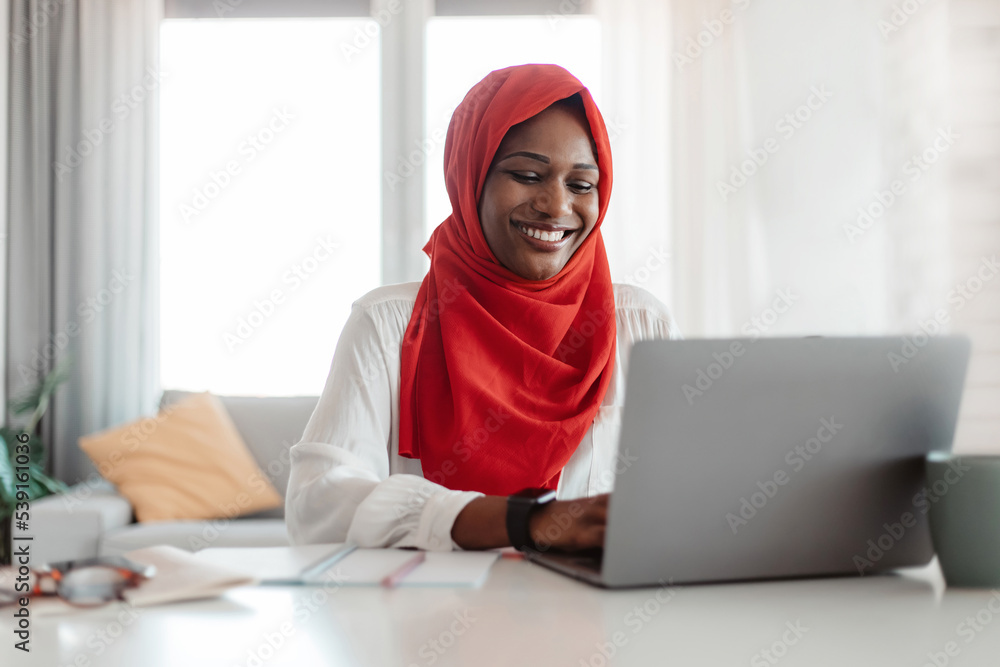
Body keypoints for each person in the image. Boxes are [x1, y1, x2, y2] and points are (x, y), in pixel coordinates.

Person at [286, 64, 679, 553]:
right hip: (426, 621)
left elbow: (684, 493)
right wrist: (522, 522)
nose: (556, 206)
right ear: (468, 177)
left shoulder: (638, 324)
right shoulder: (388, 324)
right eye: (528, 175)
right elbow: (316, 506)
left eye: (581, 185)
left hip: (598, 619)